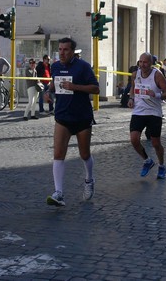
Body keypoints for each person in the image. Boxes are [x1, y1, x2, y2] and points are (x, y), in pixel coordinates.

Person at [44, 38, 99, 207]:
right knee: (58, 154)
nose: (62, 52)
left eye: (66, 50)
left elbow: (96, 89)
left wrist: (75, 87)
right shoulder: (55, 66)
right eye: (60, 49)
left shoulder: (83, 66)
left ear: (73, 51)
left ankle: (89, 180)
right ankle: (59, 192)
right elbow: (54, 83)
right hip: (62, 116)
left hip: (82, 116)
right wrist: (48, 92)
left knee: (84, 154)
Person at [128, 52, 166, 178]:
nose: (142, 65)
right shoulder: (135, 74)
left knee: (155, 143)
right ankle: (147, 160)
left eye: (145, 62)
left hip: (154, 113)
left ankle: (162, 165)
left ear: (151, 63)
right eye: (140, 62)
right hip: (138, 111)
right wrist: (131, 98)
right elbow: (133, 88)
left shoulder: (157, 75)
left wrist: (156, 95)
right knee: (134, 139)